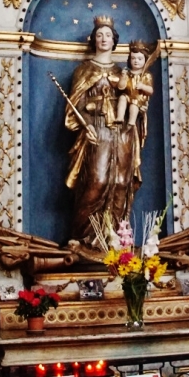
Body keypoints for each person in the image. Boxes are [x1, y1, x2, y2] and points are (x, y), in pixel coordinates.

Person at [64, 16, 143, 243]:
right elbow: (75, 104)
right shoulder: (84, 70)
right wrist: (86, 122)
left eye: (108, 35)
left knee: (120, 183)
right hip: (96, 130)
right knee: (96, 181)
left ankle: (115, 237)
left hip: (122, 132)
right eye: (99, 35)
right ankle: (81, 237)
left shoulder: (123, 72)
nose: (104, 39)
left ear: (114, 40)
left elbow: (135, 99)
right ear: (93, 40)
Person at [115, 41, 154, 130]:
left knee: (134, 104)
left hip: (138, 99)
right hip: (128, 96)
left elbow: (150, 90)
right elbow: (121, 87)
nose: (136, 61)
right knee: (122, 98)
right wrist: (123, 77)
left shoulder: (146, 75)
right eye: (133, 58)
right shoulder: (127, 73)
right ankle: (120, 117)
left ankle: (131, 122)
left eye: (140, 59)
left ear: (145, 60)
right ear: (129, 60)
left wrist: (143, 87)